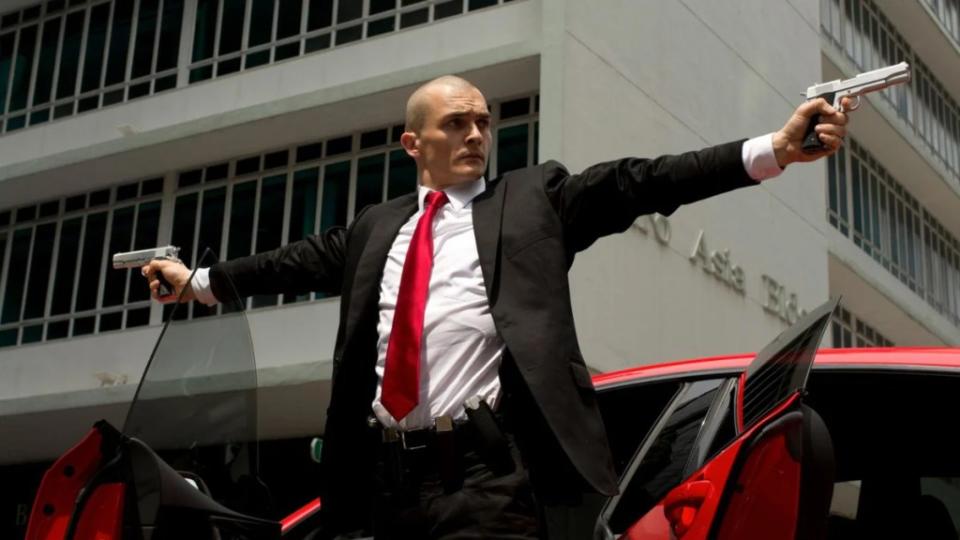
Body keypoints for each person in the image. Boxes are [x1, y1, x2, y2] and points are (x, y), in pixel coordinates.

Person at [143, 75, 849, 539]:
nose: (477, 135)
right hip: (382, 487)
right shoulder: (375, 228)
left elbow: (644, 182)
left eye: (483, 121)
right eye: (457, 124)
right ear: (414, 144)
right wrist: (194, 280)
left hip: (485, 481)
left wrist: (774, 150)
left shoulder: (533, 201)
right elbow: (287, 264)